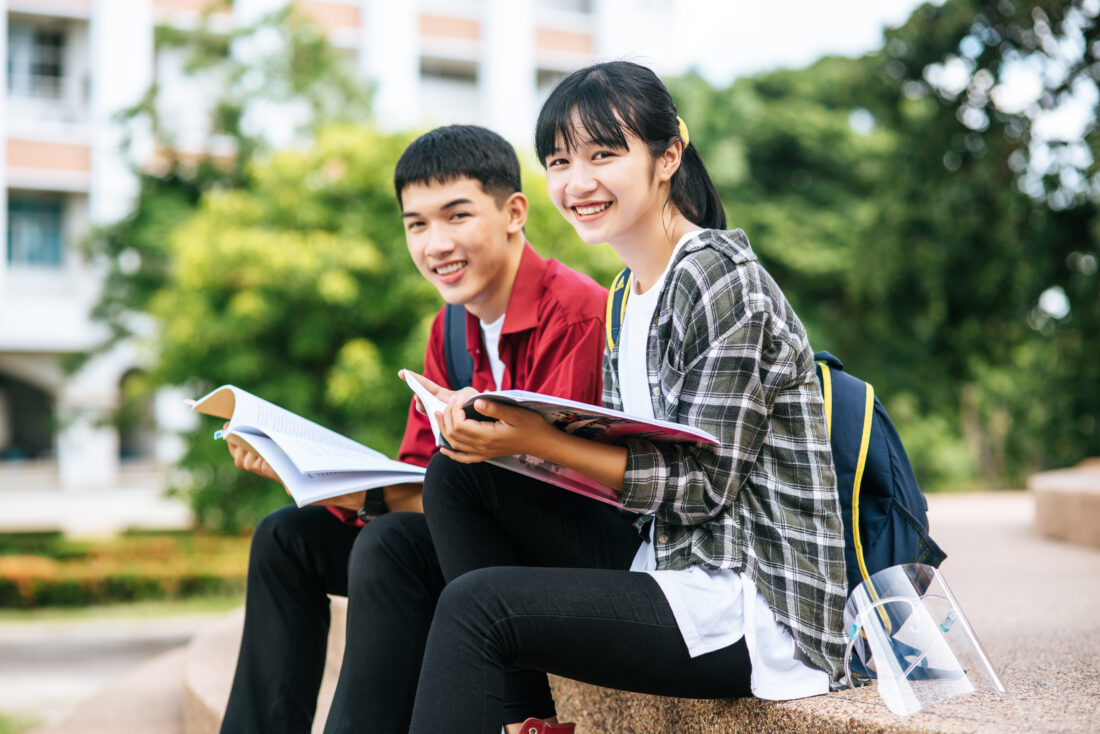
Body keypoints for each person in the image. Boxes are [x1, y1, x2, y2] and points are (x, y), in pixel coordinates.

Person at [406, 61, 850, 734]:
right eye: (558, 161)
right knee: (459, 477)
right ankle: (530, 721)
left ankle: (521, 715)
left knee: (478, 605)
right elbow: (629, 461)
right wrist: (511, 439)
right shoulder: (625, 294)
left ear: (668, 154)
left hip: (753, 605)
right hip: (667, 561)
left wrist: (538, 441)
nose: (576, 183)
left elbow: (703, 487)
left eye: (603, 155)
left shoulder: (719, 279)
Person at [218, 124, 609, 734]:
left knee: (386, 546)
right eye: (416, 224)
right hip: (467, 544)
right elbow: (420, 472)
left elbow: (552, 496)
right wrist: (314, 478)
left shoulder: (576, 312)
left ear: (514, 212)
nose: (436, 244)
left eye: (456, 216)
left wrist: (363, 497)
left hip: (562, 556)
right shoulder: (449, 330)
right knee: (285, 539)